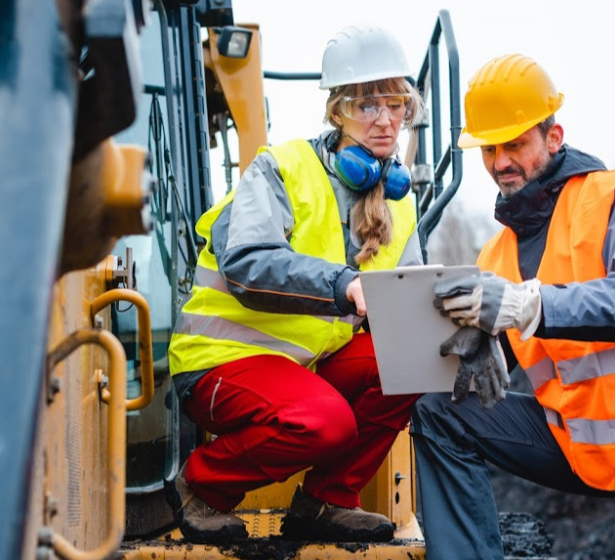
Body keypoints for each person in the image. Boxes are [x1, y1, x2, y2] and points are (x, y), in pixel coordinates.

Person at [411, 54, 615, 560]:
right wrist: (482, 346)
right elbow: (511, 332)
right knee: (438, 410)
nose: (500, 161)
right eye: (489, 147)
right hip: (585, 447)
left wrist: (528, 304)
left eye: (515, 144)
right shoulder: (496, 255)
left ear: (553, 137)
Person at [166, 25, 425, 544]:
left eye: (396, 104)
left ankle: (326, 502)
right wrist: (343, 283)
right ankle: (202, 486)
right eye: (368, 105)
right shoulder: (280, 169)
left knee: (410, 356)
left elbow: (410, 302)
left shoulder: (399, 201)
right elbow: (245, 262)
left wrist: (463, 325)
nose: (385, 118)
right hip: (220, 362)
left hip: (298, 369)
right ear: (338, 112)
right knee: (326, 422)